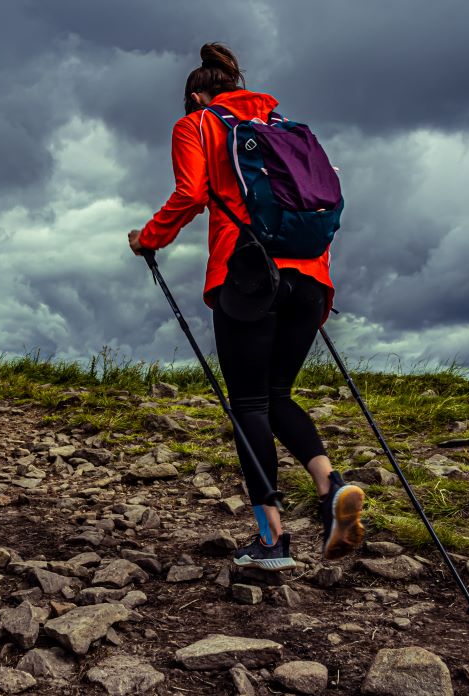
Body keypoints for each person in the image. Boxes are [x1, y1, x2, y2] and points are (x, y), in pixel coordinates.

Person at [128, 43, 365, 570]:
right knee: (279, 393)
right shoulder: (289, 126)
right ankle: (332, 489)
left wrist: (149, 239)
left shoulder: (198, 125)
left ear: (196, 95)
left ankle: (272, 540)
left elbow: (190, 194)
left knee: (249, 405)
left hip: (248, 278)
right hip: (310, 278)